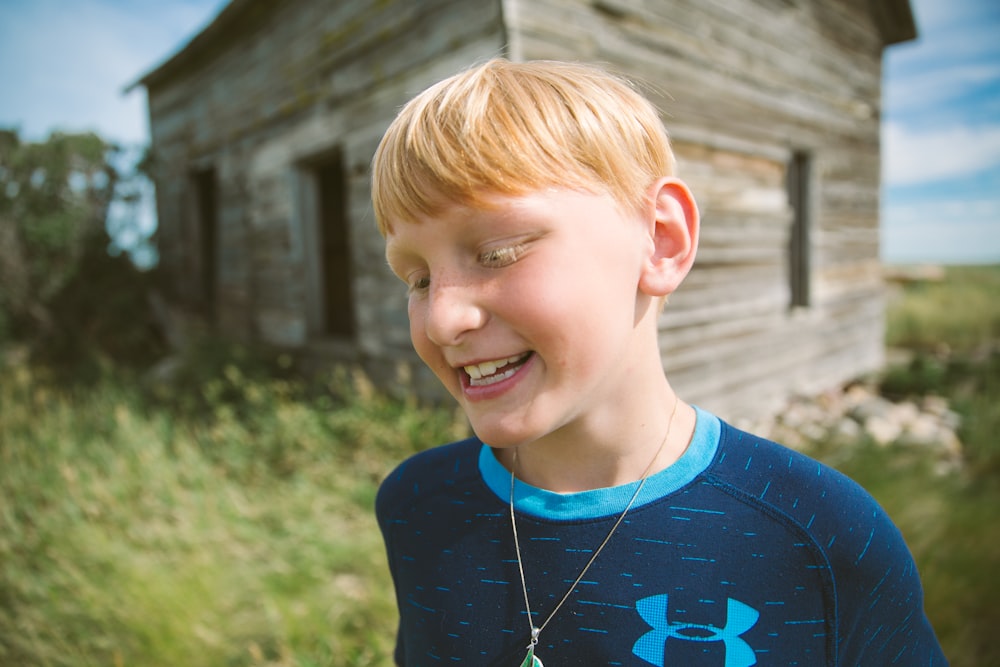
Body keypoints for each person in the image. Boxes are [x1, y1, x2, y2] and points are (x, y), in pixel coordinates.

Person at [371, 58, 945, 667]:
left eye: (498, 251)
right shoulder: (417, 508)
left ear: (661, 240)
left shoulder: (823, 535)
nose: (442, 319)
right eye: (417, 278)